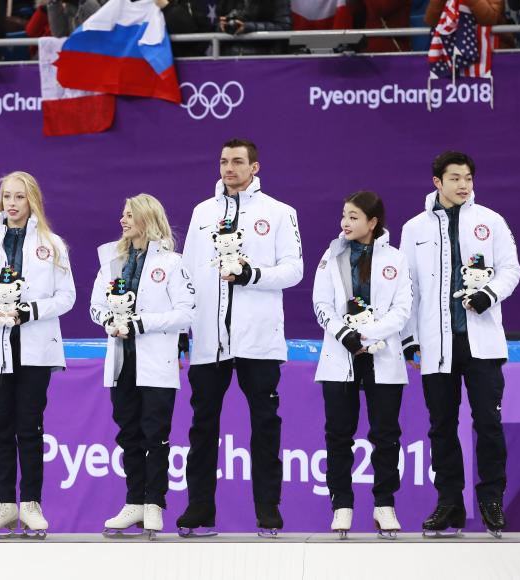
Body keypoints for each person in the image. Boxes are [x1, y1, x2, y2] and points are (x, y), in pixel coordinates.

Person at [177, 138, 303, 537]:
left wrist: (252, 274)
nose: (228, 168)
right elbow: (188, 274)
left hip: (258, 341)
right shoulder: (202, 212)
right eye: (223, 161)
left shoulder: (279, 213)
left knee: (265, 427)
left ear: (255, 168)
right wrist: (185, 327)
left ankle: (268, 511)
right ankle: (199, 509)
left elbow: (294, 270)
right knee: (201, 428)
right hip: (210, 341)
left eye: (237, 162)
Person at [400, 151, 520, 538]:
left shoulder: (490, 221)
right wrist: (409, 339)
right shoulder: (414, 228)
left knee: (488, 421)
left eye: (468, 178)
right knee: (441, 426)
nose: (464, 185)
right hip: (437, 344)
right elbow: (408, 288)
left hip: (481, 342)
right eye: (455, 178)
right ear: (437, 182)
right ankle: (449, 501)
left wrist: (489, 293)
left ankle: (491, 499)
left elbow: (511, 270)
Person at [0, 171, 75, 538]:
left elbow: (66, 297)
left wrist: (30, 311)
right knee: (0, 428)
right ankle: (3, 503)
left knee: (30, 427)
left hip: (35, 349)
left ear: (33, 201)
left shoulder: (51, 243)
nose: (11, 204)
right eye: (7, 197)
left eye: (19, 197)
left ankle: (30, 504)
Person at [89, 193, 194, 539]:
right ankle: (134, 500)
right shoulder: (112, 261)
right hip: (122, 362)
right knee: (128, 434)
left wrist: (140, 323)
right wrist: (109, 321)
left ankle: (154, 503)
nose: (123, 220)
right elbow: (96, 305)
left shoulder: (174, 263)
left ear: (148, 219)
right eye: (122, 214)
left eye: (130, 214)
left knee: (155, 434)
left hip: (156, 362)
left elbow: (186, 313)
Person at [311, 191, 412, 539]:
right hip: (342, 355)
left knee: (385, 434)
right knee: (338, 434)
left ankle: (384, 504)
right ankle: (342, 504)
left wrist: (366, 334)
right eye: (344, 215)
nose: (345, 222)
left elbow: (402, 309)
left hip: (382, 355)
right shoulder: (331, 256)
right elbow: (320, 304)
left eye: (354, 217)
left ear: (372, 222)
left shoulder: (396, 259)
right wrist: (346, 335)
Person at [215, 0, 291, 55]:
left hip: (264, 58)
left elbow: (283, 27)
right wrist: (223, 26)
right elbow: (215, 26)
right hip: (228, 58)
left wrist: (248, 27)